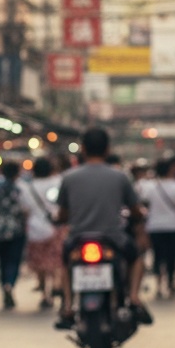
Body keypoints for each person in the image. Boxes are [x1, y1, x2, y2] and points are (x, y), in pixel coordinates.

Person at [54, 127, 151, 329]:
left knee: (64, 263)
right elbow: (135, 209)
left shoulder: (69, 177)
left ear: (83, 149)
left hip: (78, 238)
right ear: (107, 149)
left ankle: (68, 306)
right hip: (113, 238)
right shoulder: (120, 177)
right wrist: (139, 215)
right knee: (137, 258)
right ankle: (133, 297)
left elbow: (62, 214)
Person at [137, 156, 175, 298]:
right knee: (171, 256)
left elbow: (144, 205)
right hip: (173, 226)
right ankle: (171, 283)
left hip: (154, 226)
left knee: (158, 256)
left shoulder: (151, 187)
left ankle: (159, 285)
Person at [0, 160, 28, 310]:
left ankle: (4, 284)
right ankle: (10, 283)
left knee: (2, 261)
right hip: (16, 230)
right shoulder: (21, 188)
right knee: (14, 260)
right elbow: (26, 209)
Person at [24, 156, 62, 309]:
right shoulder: (57, 183)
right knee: (56, 259)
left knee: (40, 262)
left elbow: (25, 209)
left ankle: (45, 293)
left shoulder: (28, 187)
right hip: (55, 226)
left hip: (35, 229)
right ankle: (56, 284)